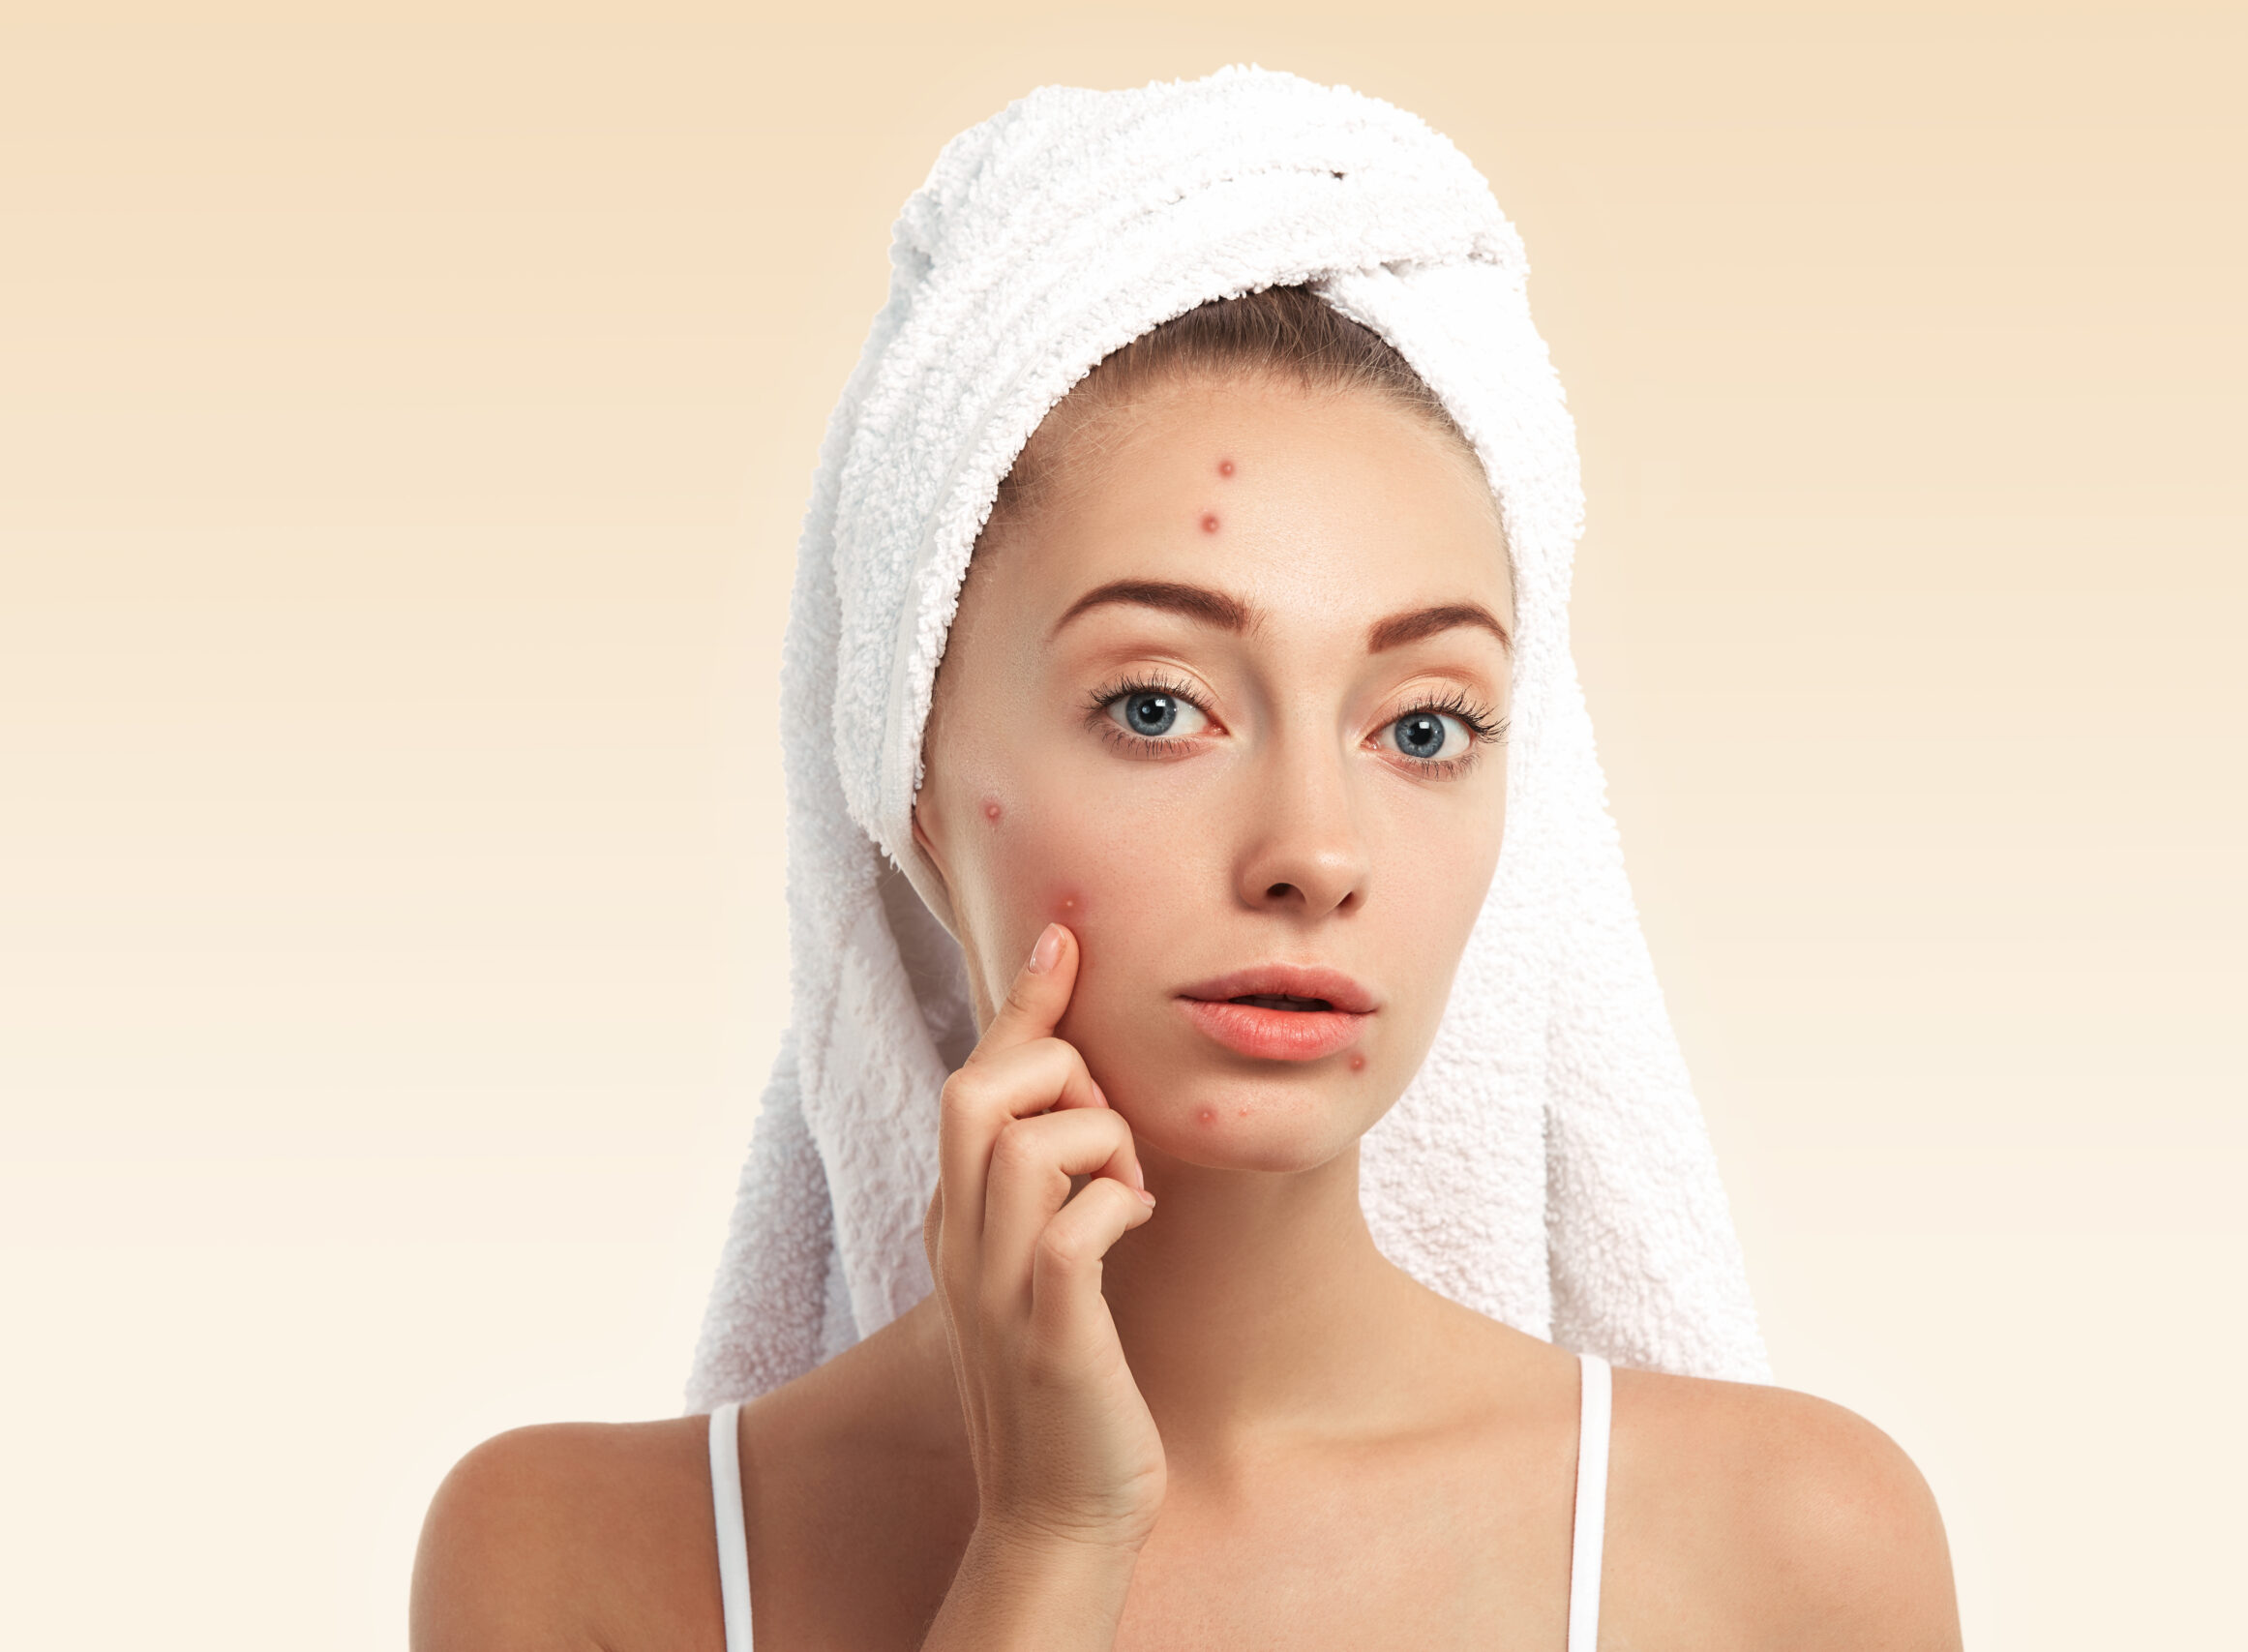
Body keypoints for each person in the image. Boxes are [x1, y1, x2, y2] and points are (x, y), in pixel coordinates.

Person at [412, 72, 1959, 1652]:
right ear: (920, 782)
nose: (1314, 854)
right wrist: (1050, 1542)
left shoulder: (1784, 1551)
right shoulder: (579, 1561)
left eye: (1423, 729)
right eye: (1158, 706)